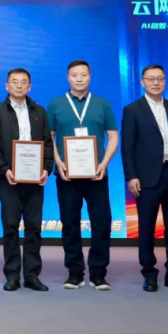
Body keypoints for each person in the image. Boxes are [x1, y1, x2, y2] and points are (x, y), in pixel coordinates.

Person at [121, 64, 168, 292]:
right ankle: (149, 274)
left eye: (160, 79)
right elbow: (128, 146)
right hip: (147, 178)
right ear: (142, 82)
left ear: (165, 81)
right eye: (151, 79)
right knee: (146, 227)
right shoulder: (132, 110)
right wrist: (131, 176)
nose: (156, 83)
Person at [47, 60, 119, 291]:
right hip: (67, 176)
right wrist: (58, 162)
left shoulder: (102, 104)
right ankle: (75, 272)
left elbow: (113, 137)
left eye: (83, 75)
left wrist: (104, 163)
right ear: (67, 78)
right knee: (70, 224)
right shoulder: (56, 104)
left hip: (96, 174)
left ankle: (98, 272)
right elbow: (49, 138)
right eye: (74, 75)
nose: (79, 79)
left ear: (90, 77)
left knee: (102, 223)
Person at [0, 68, 54, 292]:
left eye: (24, 82)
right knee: (11, 226)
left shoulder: (39, 111)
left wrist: (46, 169)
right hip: (9, 178)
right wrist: (4, 170)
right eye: (14, 82)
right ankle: (12, 275)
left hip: (35, 178)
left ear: (30, 87)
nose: (19, 85)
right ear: (7, 86)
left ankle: (32, 275)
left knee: (34, 227)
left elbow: (47, 143)